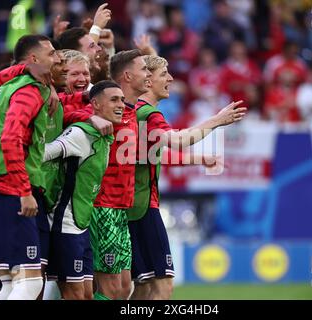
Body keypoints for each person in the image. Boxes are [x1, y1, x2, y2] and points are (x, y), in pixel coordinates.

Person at [128, 55, 246, 300]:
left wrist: (198, 159)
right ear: (148, 81)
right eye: (164, 74)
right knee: (162, 287)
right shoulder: (149, 114)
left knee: (140, 286)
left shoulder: (134, 112)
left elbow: (148, 156)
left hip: (128, 206)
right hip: (142, 207)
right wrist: (217, 120)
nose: (171, 79)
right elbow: (179, 140)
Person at [0, 34, 60, 300]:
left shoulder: (8, 82)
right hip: (11, 194)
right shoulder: (28, 92)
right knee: (30, 284)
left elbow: (0, 76)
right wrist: (24, 191)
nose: (56, 58)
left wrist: (45, 81)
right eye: (52, 53)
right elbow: (11, 138)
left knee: (11, 285)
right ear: (34, 59)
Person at [45, 80, 122, 300]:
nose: (120, 105)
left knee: (87, 295)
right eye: (114, 100)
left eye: (122, 100)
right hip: (65, 223)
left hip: (82, 225)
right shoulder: (81, 134)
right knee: (75, 295)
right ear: (95, 104)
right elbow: (44, 153)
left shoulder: (104, 136)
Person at [87, 49, 151, 300]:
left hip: (121, 208)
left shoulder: (133, 112)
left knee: (125, 288)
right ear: (127, 75)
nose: (148, 74)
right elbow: (77, 102)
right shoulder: (105, 112)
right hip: (102, 205)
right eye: (144, 69)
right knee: (109, 288)